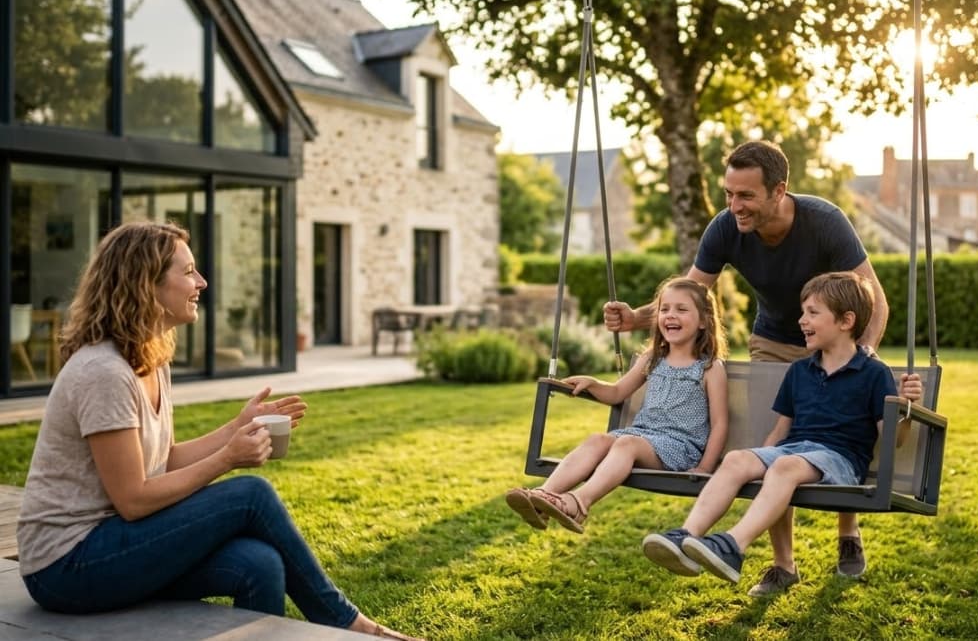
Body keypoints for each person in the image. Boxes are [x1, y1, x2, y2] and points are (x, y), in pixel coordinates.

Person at [16, 222, 422, 641]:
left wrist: (236, 429)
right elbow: (134, 499)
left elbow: (163, 459)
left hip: (116, 543)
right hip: (66, 565)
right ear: (146, 284)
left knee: (259, 564)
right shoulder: (103, 371)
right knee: (251, 493)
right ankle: (349, 625)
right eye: (188, 271)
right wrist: (228, 458)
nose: (202, 282)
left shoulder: (150, 358)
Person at [605, 140, 889, 594]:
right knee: (776, 446)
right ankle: (783, 564)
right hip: (775, 340)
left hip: (837, 337)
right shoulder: (725, 229)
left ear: (779, 190)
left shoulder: (825, 222)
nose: (734, 206)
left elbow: (874, 299)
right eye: (728, 194)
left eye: (746, 196)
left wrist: (862, 355)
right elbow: (691, 295)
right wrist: (637, 318)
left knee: (839, 424)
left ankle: (848, 533)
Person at [641, 272, 922, 585]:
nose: (802, 320)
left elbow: (894, 439)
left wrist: (904, 409)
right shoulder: (799, 371)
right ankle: (686, 536)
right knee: (738, 459)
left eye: (812, 313)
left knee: (785, 466)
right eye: (803, 312)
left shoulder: (874, 373)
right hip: (794, 453)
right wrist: (760, 458)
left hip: (840, 460)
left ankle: (733, 545)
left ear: (846, 321)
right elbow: (780, 431)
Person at [506, 277, 729, 533]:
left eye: (681, 309)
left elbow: (720, 423)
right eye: (664, 309)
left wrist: (704, 468)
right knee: (597, 440)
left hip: (680, 448)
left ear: (703, 321)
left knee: (626, 443)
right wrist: (591, 383)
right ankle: (543, 497)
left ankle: (579, 503)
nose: (670, 315)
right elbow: (617, 392)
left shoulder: (710, 368)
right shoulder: (652, 359)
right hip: (643, 437)